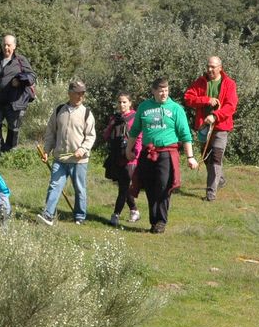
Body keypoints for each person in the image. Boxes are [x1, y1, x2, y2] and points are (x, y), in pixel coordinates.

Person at [126, 78, 198, 234]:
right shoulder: (144, 107)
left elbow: (185, 134)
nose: (164, 94)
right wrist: (128, 149)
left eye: (166, 90)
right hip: (148, 153)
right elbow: (135, 130)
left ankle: (161, 221)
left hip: (166, 153)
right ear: (153, 91)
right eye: (160, 91)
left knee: (163, 187)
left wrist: (190, 157)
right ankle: (153, 221)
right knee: (150, 187)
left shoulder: (176, 109)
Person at [37, 80, 96, 226]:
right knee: (54, 186)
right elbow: (51, 132)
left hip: (79, 160)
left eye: (82, 93)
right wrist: (46, 150)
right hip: (60, 158)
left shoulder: (87, 113)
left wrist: (82, 149)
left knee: (79, 189)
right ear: (70, 93)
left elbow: (91, 136)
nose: (81, 96)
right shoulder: (59, 110)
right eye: (77, 93)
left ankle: (80, 216)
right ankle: (48, 215)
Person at [183, 56, 239, 201]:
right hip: (204, 126)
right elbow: (188, 98)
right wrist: (206, 100)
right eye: (208, 66)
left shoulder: (229, 84)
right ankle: (220, 180)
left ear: (220, 68)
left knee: (216, 158)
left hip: (221, 127)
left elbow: (231, 106)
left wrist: (215, 115)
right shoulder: (200, 82)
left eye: (213, 67)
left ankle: (210, 194)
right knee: (207, 157)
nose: (209, 69)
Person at [0, 34, 37, 158]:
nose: (6, 47)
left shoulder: (20, 60)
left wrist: (20, 81)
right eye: (4, 45)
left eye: (9, 45)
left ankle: (10, 155)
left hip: (15, 102)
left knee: (13, 128)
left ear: (14, 46)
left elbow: (32, 76)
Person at [102, 93, 141, 226]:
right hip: (116, 156)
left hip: (130, 158)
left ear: (130, 103)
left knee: (123, 187)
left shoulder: (135, 117)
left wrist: (135, 153)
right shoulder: (115, 118)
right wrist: (112, 124)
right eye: (119, 102)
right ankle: (134, 211)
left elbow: (139, 137)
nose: (121, 105)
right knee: (123, 186)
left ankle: (115, 215)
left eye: (124, 102)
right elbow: (106, 136)